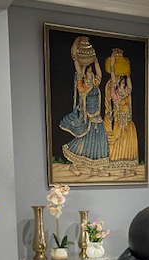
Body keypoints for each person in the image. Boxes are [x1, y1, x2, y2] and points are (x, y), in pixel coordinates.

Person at [59, 36, 109, 176]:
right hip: (87, 120)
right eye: (89, 71)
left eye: (91, 72)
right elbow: (78, 69)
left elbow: (100, 73)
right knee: (83, 142)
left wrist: (96, 61)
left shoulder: (96, 85)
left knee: (99, 142)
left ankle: (98, 168)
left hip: (97, 119)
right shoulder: (82, 87)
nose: (91, 73)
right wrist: (76, 54)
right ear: (85, 75)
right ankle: (74, 165)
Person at [104, 48, 139, 177]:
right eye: (121, 82)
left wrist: (128, 73)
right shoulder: (116, 94)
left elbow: (130, 86)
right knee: (119, 144)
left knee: (129, 145)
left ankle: (128, 169)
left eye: (124, 82)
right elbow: (113, 77)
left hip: (128, 123)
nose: (123, 83)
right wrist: (113, 61)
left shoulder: (126, 93)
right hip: (120, 123)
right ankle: (117, 167)